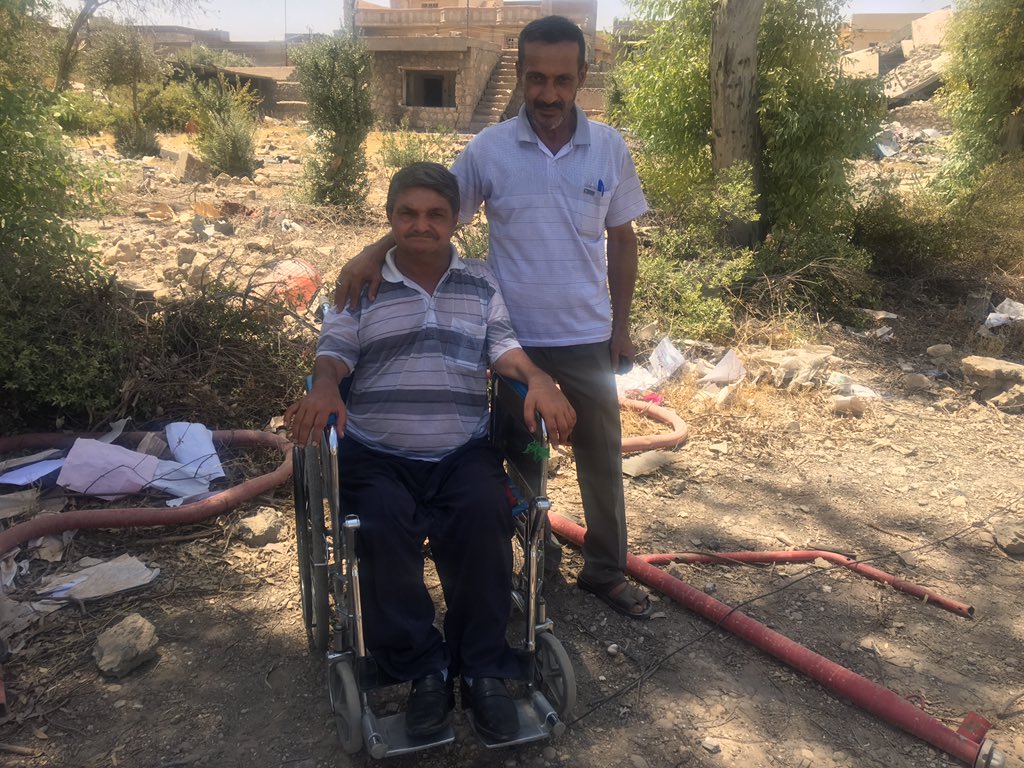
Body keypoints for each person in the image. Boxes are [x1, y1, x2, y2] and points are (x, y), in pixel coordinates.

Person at [335, 16, 652, 619]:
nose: (549, 94)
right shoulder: (489, 150)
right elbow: (432, 216)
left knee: (601, 459)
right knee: (521, 463)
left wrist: (621, 328)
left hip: (586, 335)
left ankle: (606, 570)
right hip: (511, 342)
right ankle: (534, 567)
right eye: (536, 78)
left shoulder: (609, 147)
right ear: (521, 74)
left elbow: (622, 239)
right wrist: (373, 252)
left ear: (583, 76)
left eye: (562, 79)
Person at [286, 162, 576, 743]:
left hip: (460, 451)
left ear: (455, 221)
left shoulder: (481, 283)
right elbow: (335, 349)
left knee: (485, 518)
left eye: (435, 214)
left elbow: (504, 347)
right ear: (390, 218)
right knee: (381, 527)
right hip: (378, 453)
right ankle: (424, 670)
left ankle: (483, 671)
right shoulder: (359, 283)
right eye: (408, 213)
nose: (421, 225)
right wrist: (324, 386)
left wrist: (539, 379)